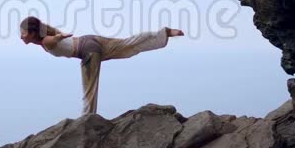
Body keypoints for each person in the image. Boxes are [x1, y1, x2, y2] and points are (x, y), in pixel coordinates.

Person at [19, 16, 184, 115]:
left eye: (23, 33)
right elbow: (49, 33)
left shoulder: (45, 41)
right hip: (91, 40)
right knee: (128, 43)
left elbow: (51, 40)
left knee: (89, 90)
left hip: (88, 51)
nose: (21, 36)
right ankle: (162, 33)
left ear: (32, 33)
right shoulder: (45, 33)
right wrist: (59, 35)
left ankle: (86, 120)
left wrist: (59, 37)